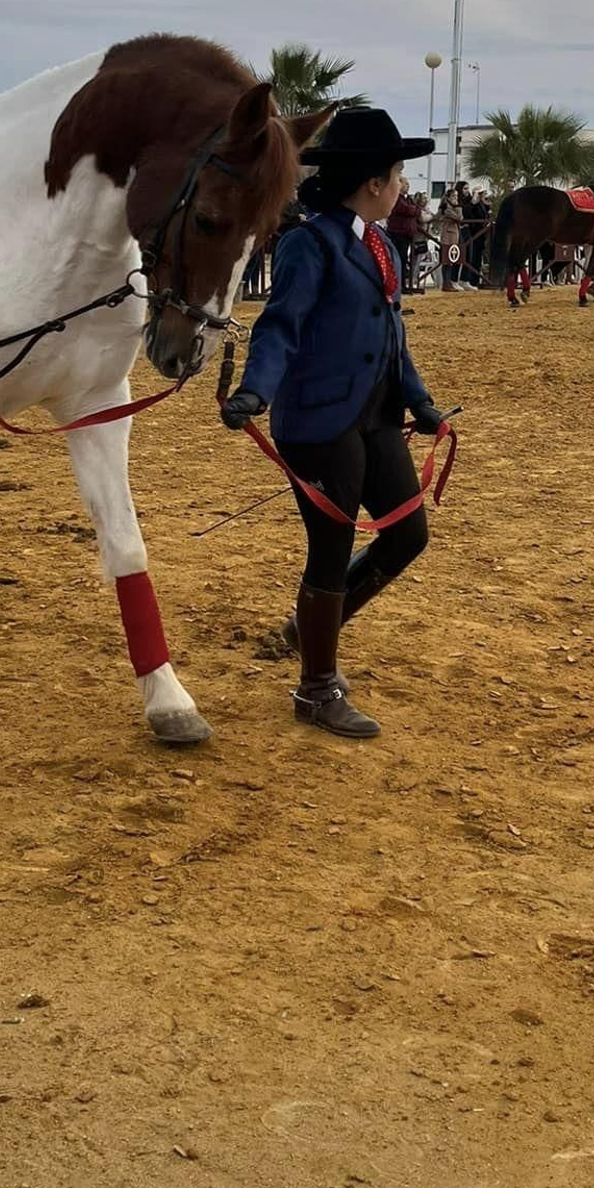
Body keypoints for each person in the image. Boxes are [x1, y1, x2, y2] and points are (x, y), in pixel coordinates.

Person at [220, 108, 447, 740]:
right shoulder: (307, 243)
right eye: (398, 174)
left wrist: (421, 401)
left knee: (407, 536)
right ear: (373, 182)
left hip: (376, 416)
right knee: (330, 549)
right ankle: (316, 689)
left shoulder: (381, 246)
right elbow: (279, 328)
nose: (403, 185)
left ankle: (310, 627)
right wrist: (254, 393)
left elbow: (393, 335)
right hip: (319, 423)